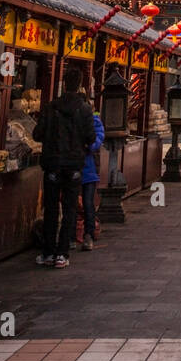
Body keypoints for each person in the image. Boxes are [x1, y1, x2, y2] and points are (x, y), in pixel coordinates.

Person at [33, 65, 96, 269]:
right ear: (79, 86)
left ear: (63, 84)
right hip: (74, 165)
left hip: (52, 163)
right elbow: (91, 137)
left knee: (51, 208)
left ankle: (48, 252)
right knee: (69, 209)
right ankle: (62, 253)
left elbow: (37, 134)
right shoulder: (85, 109)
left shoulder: (51, 107)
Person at [80, 88, 105, 252]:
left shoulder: (93, 120)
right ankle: (71, 235)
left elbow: (98, 139)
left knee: (88, 203)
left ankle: (88, 234)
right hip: (73, 167)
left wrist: (88, 145)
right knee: (71, 204)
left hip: (88, 169)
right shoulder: (74, 119)